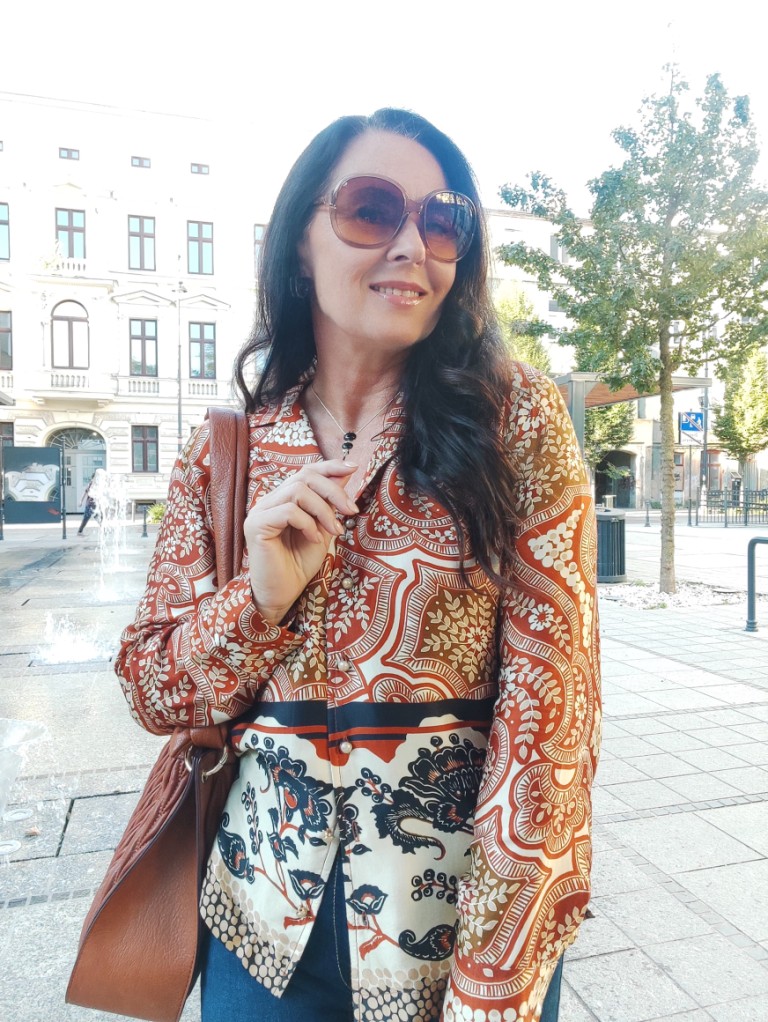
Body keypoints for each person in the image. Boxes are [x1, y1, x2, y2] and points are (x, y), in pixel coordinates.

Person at [115, 109, 600, 1022]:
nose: (413, 244)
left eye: (444, 220)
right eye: (372, 209)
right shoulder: (225, 454)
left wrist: (494, 978)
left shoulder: (517, 421)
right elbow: (153, 693)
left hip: (455, 925)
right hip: (261, 920)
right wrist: (258, 600)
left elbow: (553, 713)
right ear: (301, 241)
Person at [77, 470, 103, 534]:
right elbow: (85, 493)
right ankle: (80, 531)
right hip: (89, 504)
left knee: (99, 517)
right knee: (86, 518)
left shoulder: (99, 485)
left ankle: (103, 529)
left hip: (96, 504)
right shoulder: (90, 484)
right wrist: (81, 501)